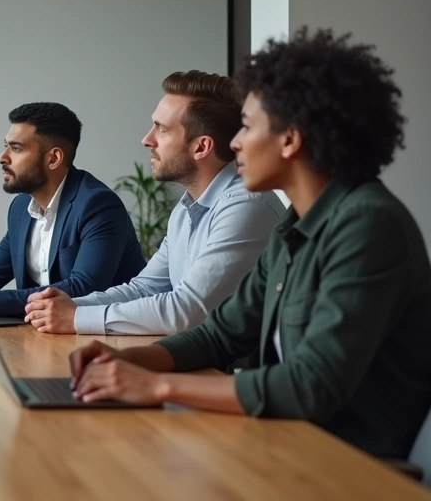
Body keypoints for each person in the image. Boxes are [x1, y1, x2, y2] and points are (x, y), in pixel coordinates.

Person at [68, 28, 431, 459]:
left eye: (247, 127)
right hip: (285, 442)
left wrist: (156, 385)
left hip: (344, 463)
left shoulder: (368, 226)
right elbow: (219, 335)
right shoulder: (296, 226)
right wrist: (130, 360)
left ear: (290, 139)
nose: (235, 142)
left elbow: (309, 385)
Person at [24, 72, 285, 334]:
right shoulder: (186, 208)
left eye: (162, 129)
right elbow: (145, 288)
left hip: (237, 373)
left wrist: (76, 317)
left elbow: (187, 310)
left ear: (201, 147)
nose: (147, 139)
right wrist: (68, 306)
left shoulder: (247, 205)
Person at [0, 102, 145, 318]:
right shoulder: (20, 207)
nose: (2, 157)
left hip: (107, 333)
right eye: (6, 146)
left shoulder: (98, 205)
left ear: (53, 158)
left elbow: (85, 286)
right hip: (46, 330)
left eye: (16, 148)